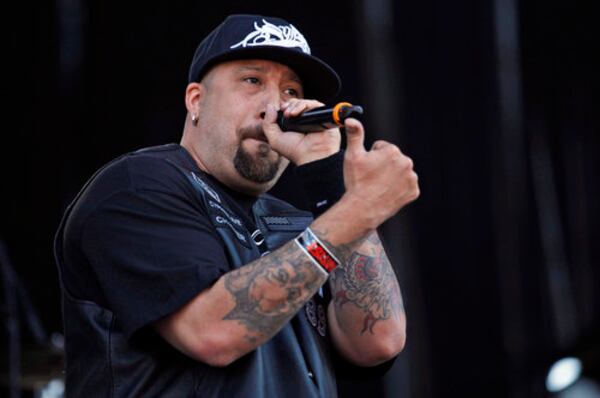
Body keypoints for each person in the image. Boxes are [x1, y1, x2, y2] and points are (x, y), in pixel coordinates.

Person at [54, 14, 419, 397]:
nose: (275, 108)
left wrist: (333, 184)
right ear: (196, 99)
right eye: (252, 81)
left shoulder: (301, 223)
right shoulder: (137, 188)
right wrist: (358, 212)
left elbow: (378, 341)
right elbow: (213, 333)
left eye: (292, 92)